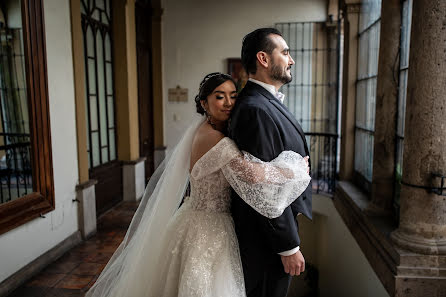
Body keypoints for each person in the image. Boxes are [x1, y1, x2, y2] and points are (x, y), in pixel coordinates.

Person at [85, 72, 311, 297]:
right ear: (204, 103)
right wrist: (294, 169)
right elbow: (250, 174)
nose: (229, 103)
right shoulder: (213, 139)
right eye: (220, 97)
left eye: (233, 95)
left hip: (199, 217)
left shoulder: (207, 130)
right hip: (208, 227)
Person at [229, 28, 313, 297]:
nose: (292, 60)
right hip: (265, 244)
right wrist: (288, 247)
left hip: (270, 238)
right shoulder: (255, 108)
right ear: (264, 59)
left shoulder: (263, 101)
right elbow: (262, 190)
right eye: (285, 52)